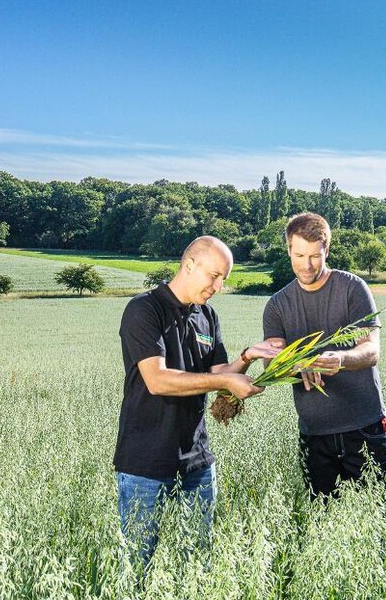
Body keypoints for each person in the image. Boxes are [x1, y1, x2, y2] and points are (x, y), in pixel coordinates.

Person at [114, 235, 279, 569]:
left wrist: (248, 356)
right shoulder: (144, 310)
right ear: (189, 265)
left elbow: (220, 372)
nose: (218, 286)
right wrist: (224, 380)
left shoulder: (208, 316)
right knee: (137, 565)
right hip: (145, 463)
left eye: (224, 279)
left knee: (199, 561)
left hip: (197, 462)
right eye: (214, 276)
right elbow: (158, 380)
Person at [263, 212, 386, 498]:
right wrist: (297, 365)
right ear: (288, 250)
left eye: (315, 256)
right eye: (299, 255)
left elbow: (371, 350)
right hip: (314, 435)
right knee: (321, 524)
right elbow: (271, 365)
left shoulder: (352, 288)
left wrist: (341, 360)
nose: (307, 265)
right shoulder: (277, 306)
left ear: (327, 251)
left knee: (376, 521)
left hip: (365, 430)